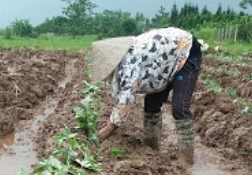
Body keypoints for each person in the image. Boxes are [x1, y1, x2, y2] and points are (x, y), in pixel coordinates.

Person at [91, 27, 216, 164]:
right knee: (151, 104)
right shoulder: (125, 57)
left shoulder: (129, 65)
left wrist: (106, 131)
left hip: (186, 52)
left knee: (179, 107)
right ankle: (151, 149)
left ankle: (187, 159)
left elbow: (124, 101)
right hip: (166, 60)